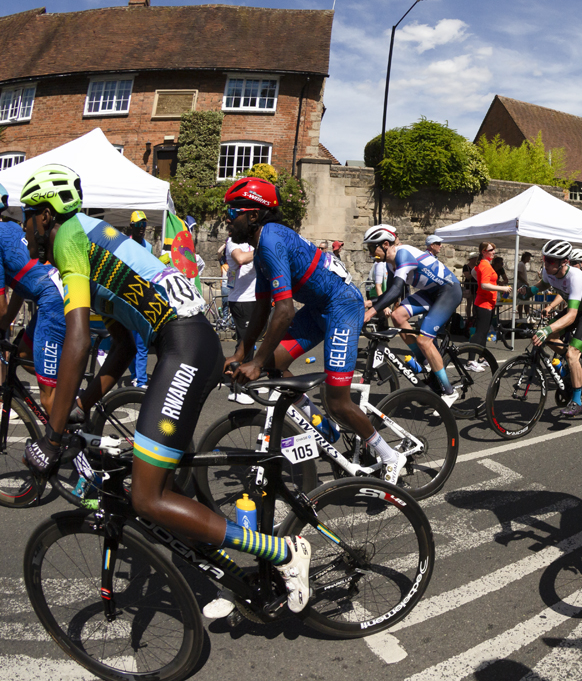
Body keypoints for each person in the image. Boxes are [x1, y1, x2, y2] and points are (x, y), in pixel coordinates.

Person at [20, 166, 313, 617]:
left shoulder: (68, 237)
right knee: (165, 483)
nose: (23, 229)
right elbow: (119, 343)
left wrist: (54, 436)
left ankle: (283, 552)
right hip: (184, 344)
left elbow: (78, 343)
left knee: (146, 496)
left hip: (185, 347)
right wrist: (81, 404)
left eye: (26, 217)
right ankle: (225, 576)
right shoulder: (90, 240)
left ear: (45, 216)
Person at [224, 181, 410, 488]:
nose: (227, 218)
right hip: (316, 308)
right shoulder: (261, 250)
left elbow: (283, 312)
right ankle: (323, 427)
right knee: (271, 363)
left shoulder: (270, 241)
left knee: (337, 401)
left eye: (233, 211)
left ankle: (390, 455)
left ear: (254, 216)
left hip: (341, 307)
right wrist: (241, 355)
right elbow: (260, 311)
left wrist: (252, 362)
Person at [361, 225, 464, 404]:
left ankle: (449, 392)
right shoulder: (390, 263)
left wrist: (370, 312)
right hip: (431, 293)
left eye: (372, 248)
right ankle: (424, 361)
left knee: (424, 340)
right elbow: (390, 294)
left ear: (385, 244)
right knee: (397, 316)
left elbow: (395, 291)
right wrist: (367, 304)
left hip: (448, 291)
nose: (371, 253)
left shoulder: (403, 254)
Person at [0, 183, 65, 412]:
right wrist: (5, 323)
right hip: (54, 292)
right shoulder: (11, 228)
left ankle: (68, 443)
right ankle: (69, 394)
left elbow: (1, 305)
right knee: (25, 354)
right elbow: (20, 287)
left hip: (52, 301)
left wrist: (3, 322)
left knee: (48, 399)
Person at [518, 240, 582, 417]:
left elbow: (571, 316)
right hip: (575, 310)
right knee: (547, 338)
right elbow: (541, 286)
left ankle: (577, 401)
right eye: (544, 259)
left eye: (550, 261)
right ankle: (568, 369)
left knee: (572, 353)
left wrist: (547, 329)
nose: (545, 264)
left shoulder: (576, 277)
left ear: (564, 262)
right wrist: (527, 291)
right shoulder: (549, 272)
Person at [223, 234, 257, 404]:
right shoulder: (233, 241)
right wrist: (261, 250)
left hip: (253, 298)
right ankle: (236, 389)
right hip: (241, 300)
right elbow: (241, 258)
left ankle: (248, 382)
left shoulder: (250, 242)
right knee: (244, 343)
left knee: (250, 341)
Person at [126, 210, 153, 387]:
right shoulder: (124, 245)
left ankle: (141, 379)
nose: (142, 229)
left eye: (144, 225)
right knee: (129, 345)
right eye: (138, 225)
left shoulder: (148, 246)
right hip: (127, 299)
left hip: (142, 297)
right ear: (131, 227)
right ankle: (136, 374)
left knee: (142, 343)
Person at [471, 241, 512, 353]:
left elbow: (474, 273)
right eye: (491, 250)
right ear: (484, 252)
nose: (494, 252)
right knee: (480, 332)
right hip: (484, 303)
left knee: (483, 332)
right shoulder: (485, 265)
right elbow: (484, 285)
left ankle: (481, 357)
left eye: (494, 249)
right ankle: (470, 361)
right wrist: (502, 288)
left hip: (487, 302)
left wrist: (481, 282)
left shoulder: (484, 264)